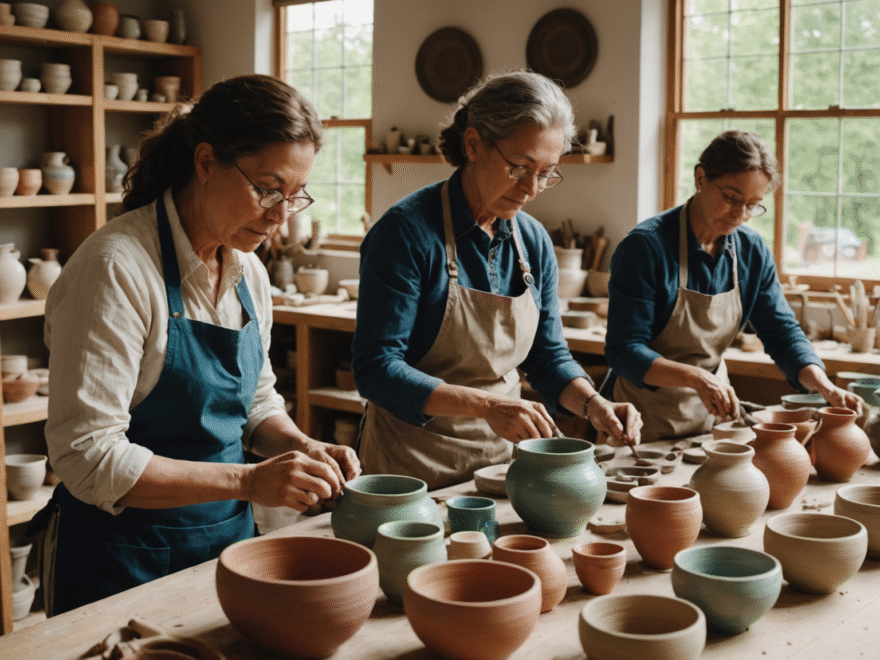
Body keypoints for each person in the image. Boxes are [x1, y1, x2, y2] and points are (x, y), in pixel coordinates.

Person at [28, 75, 360, 616]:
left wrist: (299, 446)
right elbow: (86, 457)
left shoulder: (248, 270)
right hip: (122, 559)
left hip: (226, 546)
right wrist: (251, 480)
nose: (279, 215)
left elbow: (255, 401)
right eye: (267, 188)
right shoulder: (115, 268)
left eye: (294, 195)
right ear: (206, 162)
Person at [352, 71, 642, 491]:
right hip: (412, 467)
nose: (532, 189)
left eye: (547, 173)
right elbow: (375, 369)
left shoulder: (534, 242)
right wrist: (489, 405)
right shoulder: (407, 233)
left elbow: (547, 358)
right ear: (474, 144)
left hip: (501, 464)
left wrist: (594, 404)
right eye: (520, 167)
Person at [603, 129, 863, 441]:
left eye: (753, 204)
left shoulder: (751, 251)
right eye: (731, 198)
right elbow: (624, 351)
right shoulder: (646, 247)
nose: (740, 215)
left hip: (712, 420)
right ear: (700, 179)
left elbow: (782, 333)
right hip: (640, 421)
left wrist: (824, 385)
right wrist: (696, 378)